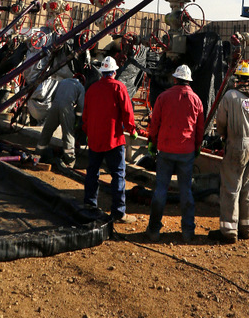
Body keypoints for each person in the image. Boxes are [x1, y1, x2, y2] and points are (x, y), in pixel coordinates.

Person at [145, 63, 204, 243]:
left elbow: (154, 124)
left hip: (165, 150)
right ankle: (188, 232)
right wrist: (197, 147)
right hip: (186, 152)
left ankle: (154, 230)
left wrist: (152, 143)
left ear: (175, 78)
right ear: (189, 81)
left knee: (160, 190)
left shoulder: (163, 97)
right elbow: (200, 128)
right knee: (186, 191)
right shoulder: (196, 100)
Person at [209, 60, 249, 243]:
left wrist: (224, 137)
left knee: (231, 187)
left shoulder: (230, 97)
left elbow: (221, 123)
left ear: (237, 78)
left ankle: (229, 230)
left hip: (236, 144)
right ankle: (246, 227)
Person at [81, 55, 138, 224]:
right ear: (114, 72)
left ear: (102, 72)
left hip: (95, 138)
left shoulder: (92, 89)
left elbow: (86, 114)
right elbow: (127, 112)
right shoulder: (119, 88)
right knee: (118, 175)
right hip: (113, 139)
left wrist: (87, 131)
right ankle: (119, 212)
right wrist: (132, 130)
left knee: (92, 172)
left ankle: (90, 204)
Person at [36, 73, 85, 168]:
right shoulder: (80, 87)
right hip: (67, 108)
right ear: (82, 81)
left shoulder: (63, 82)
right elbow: (80, 106)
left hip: (54, 106)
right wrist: (77, 119)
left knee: (47, 130)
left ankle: (39, 153)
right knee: (68, 133)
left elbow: (52, 96)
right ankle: (70, 161)